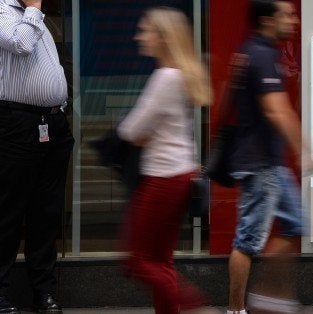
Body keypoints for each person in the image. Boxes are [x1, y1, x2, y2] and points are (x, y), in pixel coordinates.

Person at [117, 7, 215, 314]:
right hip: (181, 174)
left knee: (138, 261)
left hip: (162, 178)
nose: (139, 36)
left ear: (162, 37)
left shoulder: (164, 78)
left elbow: (131, 130)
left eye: (145, 30)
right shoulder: (180, 76)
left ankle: (195, 305)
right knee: (161, 259)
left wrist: (137, 133)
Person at [226, 1, 313, 313]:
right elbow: (277, 109)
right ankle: (236, 309)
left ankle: (268, 296)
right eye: (286, 14)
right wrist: (305, 150)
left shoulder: (256, 52)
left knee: (296, 225)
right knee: (248, 240)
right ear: (266, 20)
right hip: (260, 163)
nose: (293, 20)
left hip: (269, 161)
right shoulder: (260, 54)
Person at [0, 0, 74, 313]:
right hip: (17, 123)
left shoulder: (38, 16)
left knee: (47, 213)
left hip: (52, 124)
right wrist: (33, 9)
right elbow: (20, 44)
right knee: (8, 211)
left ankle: (43, 292)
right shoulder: (4, 10)